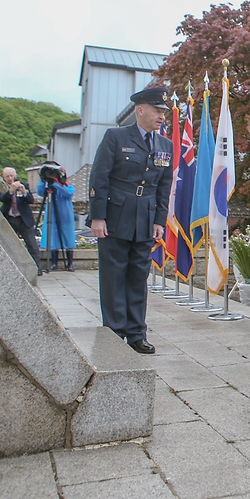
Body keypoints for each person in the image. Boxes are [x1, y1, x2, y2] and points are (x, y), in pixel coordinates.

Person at [88, 88, 173, 354]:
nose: (161, 116)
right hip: (115, 216)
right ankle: (114, 332)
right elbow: (99, 178)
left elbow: (164, 185)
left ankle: (137, 333)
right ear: (140, 110)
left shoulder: (165, 145)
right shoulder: (116, 137)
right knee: (114, 276)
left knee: (138, 277)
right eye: (157, 110)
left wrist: (160, 219)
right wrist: (98, 217)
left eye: (163, 112)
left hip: (146, 218)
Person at [0, 167, 43, 275]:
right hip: (10, 219)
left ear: (15, 176)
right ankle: (11, 268)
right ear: (4, 178)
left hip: (24, 219)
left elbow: (30, 200)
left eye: (12, 176)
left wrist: (23, 192)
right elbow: (2, 199)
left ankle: (37, 268)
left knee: (32, 245)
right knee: (9, 244)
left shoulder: (24, 185)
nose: (10, 178)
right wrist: (11, 191)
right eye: (7, 176)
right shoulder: (2, 187)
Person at [39, 165, 77, 271]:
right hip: (52, 215)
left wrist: (57, 183)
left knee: (68, 237)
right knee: (53, 238)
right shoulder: (49, 186)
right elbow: (40, 192)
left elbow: (68, 194)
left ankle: (70, 264)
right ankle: (54, 263)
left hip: (66, 215)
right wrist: (43, 179)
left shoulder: (68, 187)